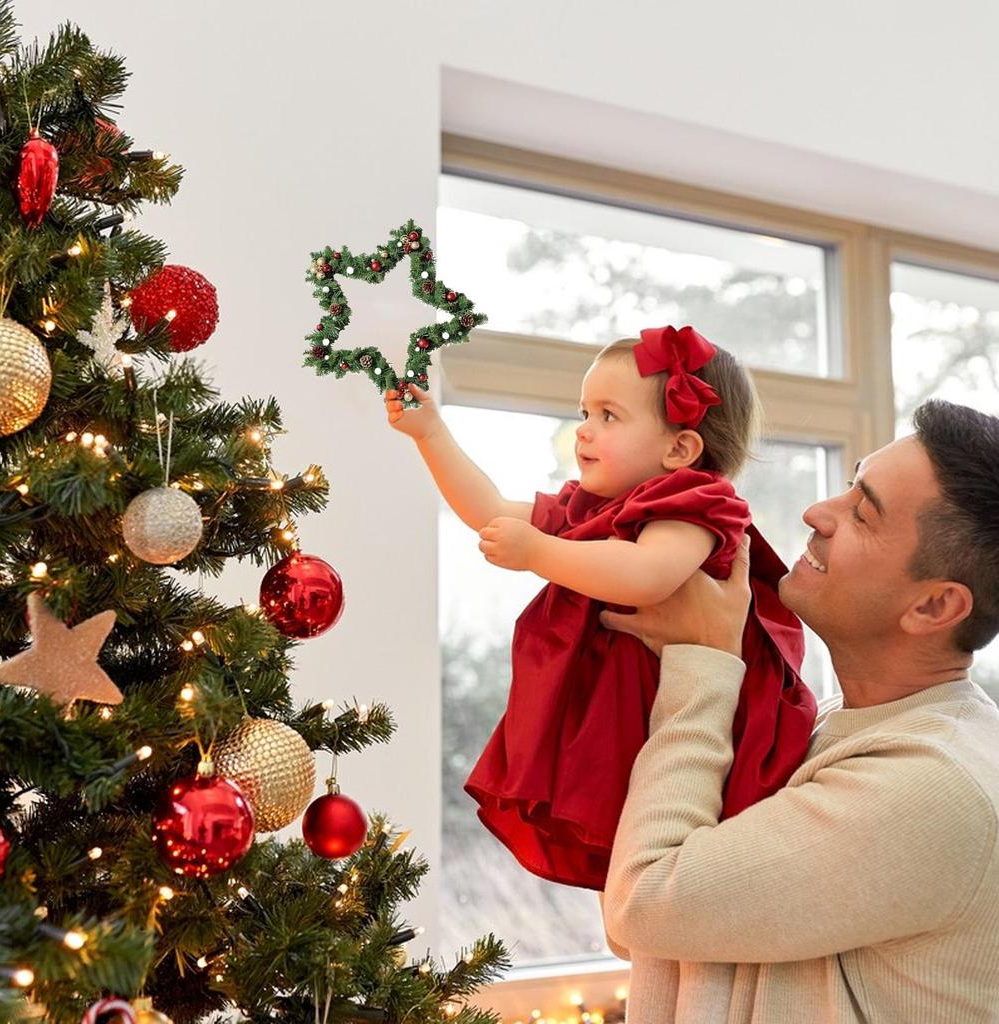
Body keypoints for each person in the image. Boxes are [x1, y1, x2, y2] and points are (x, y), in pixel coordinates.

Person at [600, 398, 999, 1023]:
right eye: (850, 486)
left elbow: (643, 907)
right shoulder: (831, 727)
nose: (818, 512)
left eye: (862, 513)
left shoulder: (935, 785)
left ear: (934, 607)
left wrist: (701, 660)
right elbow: (651, 933)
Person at [385, 325, 816, 890]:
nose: (584, 431)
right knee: (637, 855)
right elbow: (489, 509)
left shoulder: (697, 505)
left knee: (672, 855)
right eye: (584, 411)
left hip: (691, 716)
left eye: (608, 416)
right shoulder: (590, 507)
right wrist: (431, 434)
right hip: (624, 710)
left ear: (680, 449)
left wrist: (539, 551)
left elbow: (646, 575)